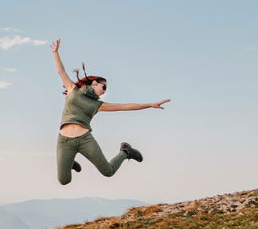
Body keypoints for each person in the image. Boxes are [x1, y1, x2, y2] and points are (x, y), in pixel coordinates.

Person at [51, 39, 170, 185]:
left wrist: (149, 104)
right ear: (94, 83)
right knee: (64, 180)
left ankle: (126, 152)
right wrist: (55, 52)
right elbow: (60, 71)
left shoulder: (98, 105)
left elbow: (125, 106)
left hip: (85, 140)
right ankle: (69, 162)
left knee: (108, 171)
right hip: (64, 140)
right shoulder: (73, 90)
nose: (104, 92)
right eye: (104, 87)